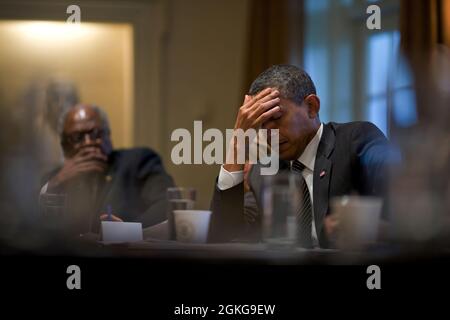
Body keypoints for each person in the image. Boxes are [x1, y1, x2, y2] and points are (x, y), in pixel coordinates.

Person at [209, 64, 391, 247]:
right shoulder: (262, 172)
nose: (268, 131)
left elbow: (407, 205)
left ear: (311, 107)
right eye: (261, 123)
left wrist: (368, 227)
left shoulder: (356, 141)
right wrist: (237, 142)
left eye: (277, 117)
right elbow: (227, 237)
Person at [39, 104, 175, 236]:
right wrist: (57, 182)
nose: (88, 142)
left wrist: (127, 231)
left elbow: (167, 204)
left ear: (108, 135)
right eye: (77, 137)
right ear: (64, 146)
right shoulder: (55, 179)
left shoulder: (138, 161)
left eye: (95, 133)